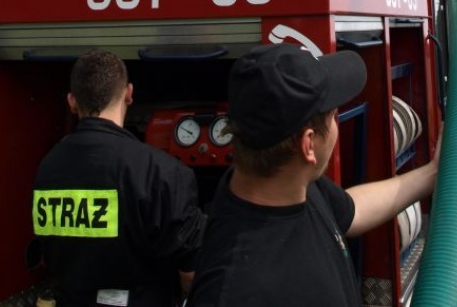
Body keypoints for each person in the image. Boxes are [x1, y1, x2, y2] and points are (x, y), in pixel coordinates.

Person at [186, 43, 438, 306]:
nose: (337, 124)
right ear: (309, 144)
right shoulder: (238, 291)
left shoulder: (280, 182)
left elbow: (353, 209)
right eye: (333, 116)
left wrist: (433, 172)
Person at [32, 50, 207, 306]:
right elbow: (191, 275)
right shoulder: (163, 172)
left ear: (71, 101)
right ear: (128, 94)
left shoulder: (48, 168)